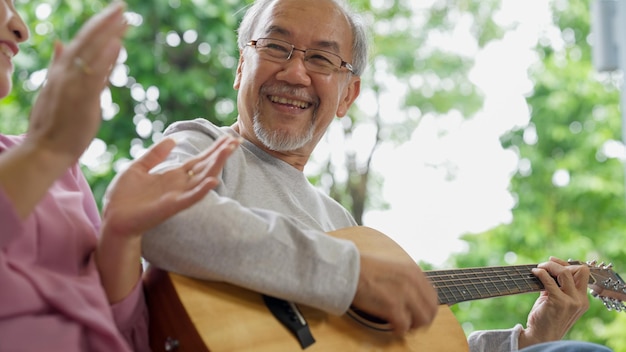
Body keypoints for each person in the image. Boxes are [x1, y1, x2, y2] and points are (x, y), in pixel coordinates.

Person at [141, 0, 612, 351]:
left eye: (322, 59)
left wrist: (530, 339)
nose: (296, 71)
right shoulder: (202, 147)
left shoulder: (339, 219)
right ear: (242, 65)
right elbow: (157, 218)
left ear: (348, 96)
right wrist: (352, 274)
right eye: (277, 46)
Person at [0, 1, 240, 351]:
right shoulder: (48, 154)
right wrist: (44, 152)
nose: (20, 27)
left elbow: (125, 336)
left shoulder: (60, 170)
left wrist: (121, 235)